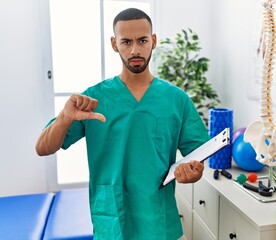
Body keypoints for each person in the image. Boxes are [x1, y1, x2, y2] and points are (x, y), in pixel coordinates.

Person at [35, 8, 209, 240]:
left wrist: (192, 174)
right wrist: (65, 117)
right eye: (126, 41)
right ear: (114, 44)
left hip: (159, 222)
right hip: (113, 221)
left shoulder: (177, 100)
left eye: (142, 40)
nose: (135, 49)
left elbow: (197, 158)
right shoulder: (94, 99)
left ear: (153, 41)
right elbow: (42, 148)